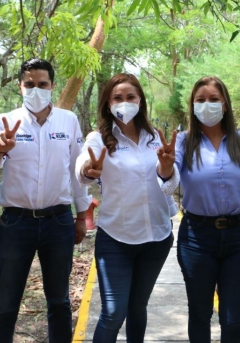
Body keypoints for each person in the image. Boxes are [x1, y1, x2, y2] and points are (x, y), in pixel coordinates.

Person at [0, 58, 91, 343]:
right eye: (30, 84)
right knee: (7, 301)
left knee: (59, 301)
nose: (36, 90)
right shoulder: (5, 122)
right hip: (17, 223)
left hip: (59, 221)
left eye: (42, 84)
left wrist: (81, 216)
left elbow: (75, 170)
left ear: (53, 86)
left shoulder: (69, 120)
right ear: (20, 86)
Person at [174, 76, 240, 343]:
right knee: (199, 313)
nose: (207, 105)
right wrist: (164, 168)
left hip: (239, 238)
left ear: (225, 105)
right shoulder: (183, 143)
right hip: (197, 239)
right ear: (192, 105)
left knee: (232, 319)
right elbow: (169, 180)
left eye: (213, 99)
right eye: (200, 100)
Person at [75, 73, 178, 343]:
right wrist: (88, 168)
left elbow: (168, 185)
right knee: (112, 312)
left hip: (156, 238)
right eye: (117, 98)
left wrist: (167, 170)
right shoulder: (99, 139)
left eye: (130, 97)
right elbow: (83, 170)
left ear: (140, 101)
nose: (124, 103)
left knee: (137, 308)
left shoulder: (156, 136)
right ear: (108, 104)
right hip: (116, 240)